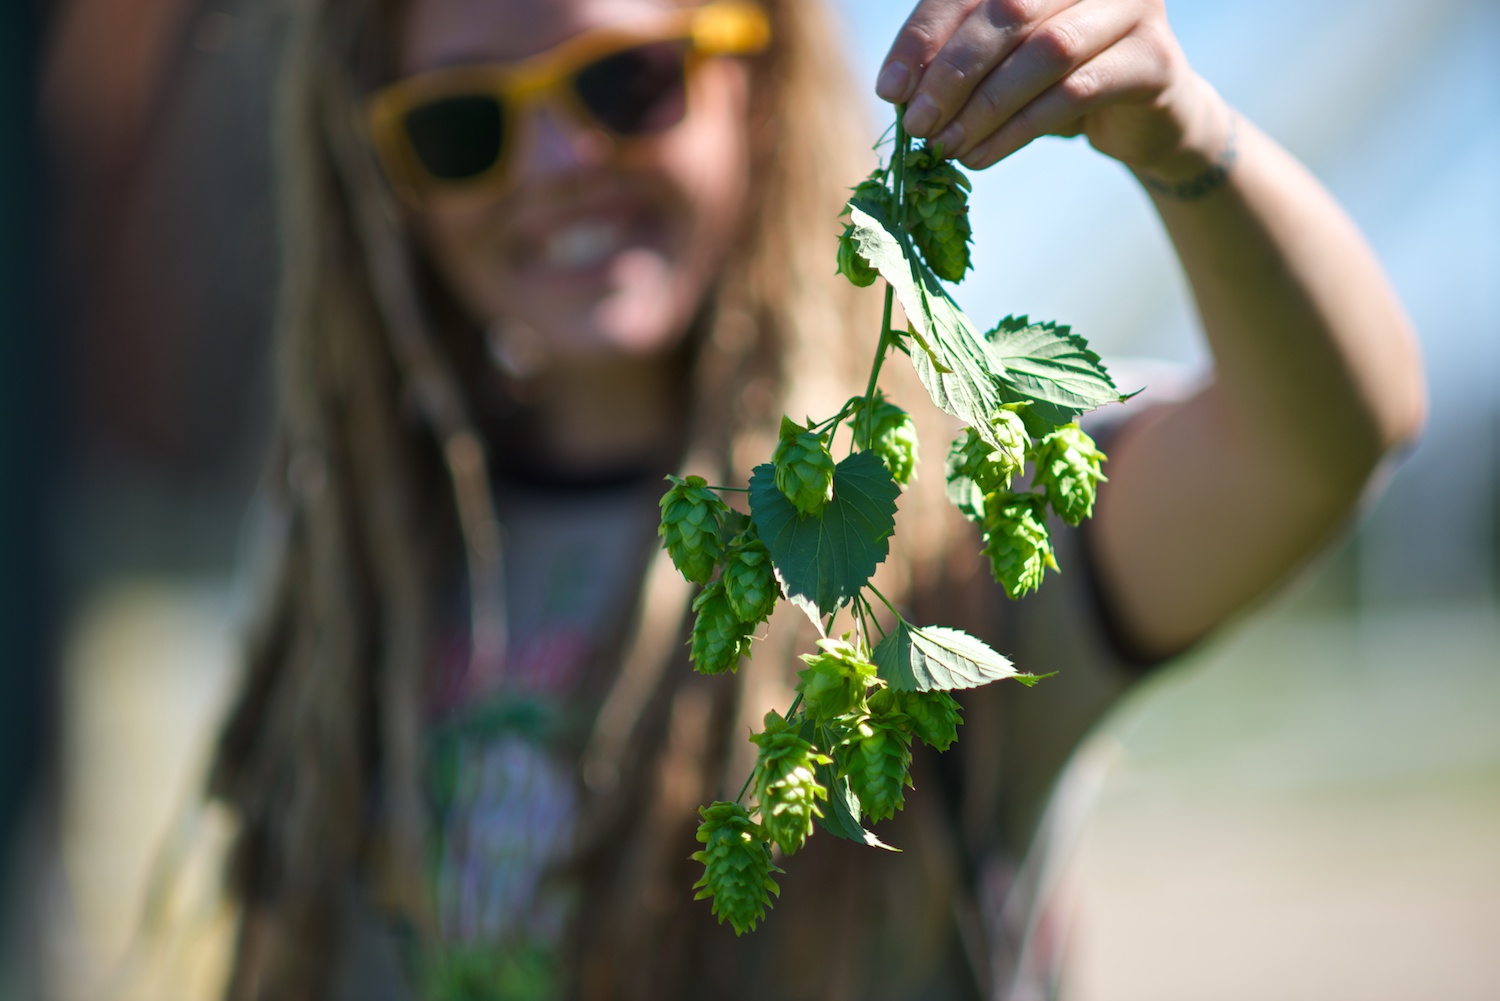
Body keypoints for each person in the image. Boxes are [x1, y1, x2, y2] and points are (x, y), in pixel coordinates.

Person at [204, 0, 1426, 998]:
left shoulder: (940, 517)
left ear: (761, 77)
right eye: (465, 126)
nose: (564, 162)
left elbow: (1319, 438)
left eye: (628, 82)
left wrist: (1182, 133)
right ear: (381, 175)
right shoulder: (366, 562)